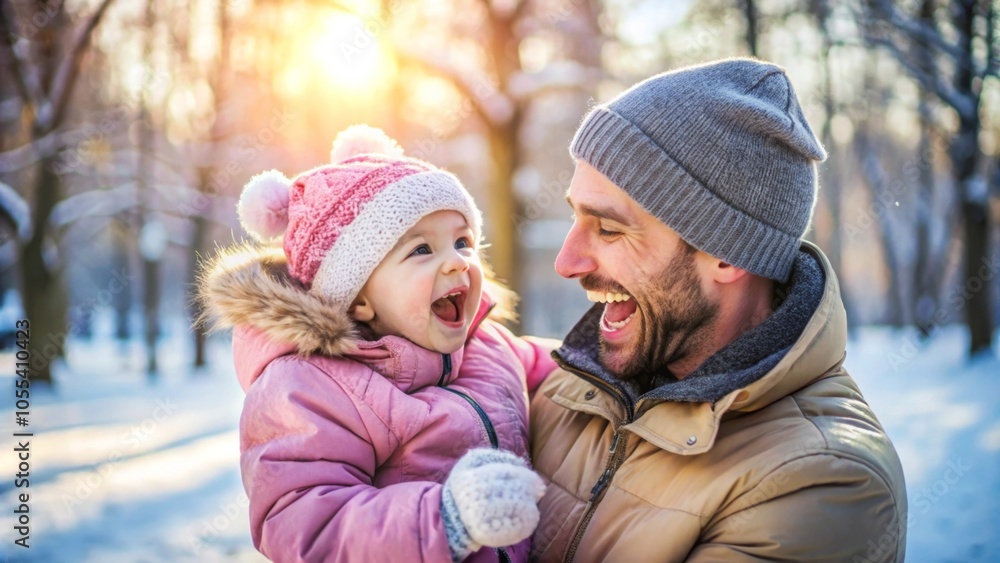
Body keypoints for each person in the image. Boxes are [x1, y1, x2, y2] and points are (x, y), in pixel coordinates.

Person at [528, 58, 908, 562]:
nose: (565, 262)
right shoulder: (569, 385)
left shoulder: (822, 483)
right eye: (575, 217)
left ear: (726, 252)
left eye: (610, 229)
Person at [198, 125, 558, 562]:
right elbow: (304, 524)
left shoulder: (488, 345)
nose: (457, 262)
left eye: (463, 241)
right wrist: (446, 520)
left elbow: (565, 368)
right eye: (422, 250)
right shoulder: (310, 388)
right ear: (361, 298)